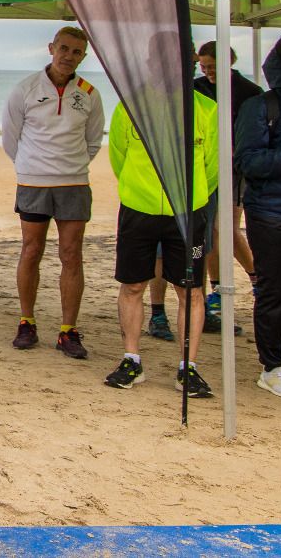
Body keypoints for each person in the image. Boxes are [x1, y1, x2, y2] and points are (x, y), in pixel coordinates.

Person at [103, 92, 217, 399]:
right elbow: (119, 156)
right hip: (138, 209)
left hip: (187, 211)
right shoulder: (131, 105)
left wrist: (189, 196)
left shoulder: (206, 109)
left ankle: (188, 367)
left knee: (190, 290)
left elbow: (212, 166)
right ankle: (131, 360)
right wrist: (140, 189)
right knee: (132, 285)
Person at [1, 27, 104, 358]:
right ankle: (27, 322)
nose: (68, 56)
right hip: (33, 182)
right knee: (31, 251)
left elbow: (92, 141)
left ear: (83, 57)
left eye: (76, 52)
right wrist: (32, 166)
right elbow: (10, 138)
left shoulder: (89, 92)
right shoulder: (26, 89)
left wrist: (69, 166)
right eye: (63, 48)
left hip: (74, 183)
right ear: (51, 48)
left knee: (71, 255)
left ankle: (67, 330)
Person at [234, 32, 281, 400]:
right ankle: (273, 366)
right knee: (274, 293)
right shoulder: (261, 107)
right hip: (272, 214)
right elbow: (247, 162)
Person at [193, 40, 260, 333]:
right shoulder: (194, 88)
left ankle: (256, 279)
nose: (207, 72)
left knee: (227, 230)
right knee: (207, 232)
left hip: (234, 171)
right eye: (203, 66)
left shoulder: (249, 93)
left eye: (212, 67)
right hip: (204, 171)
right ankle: (217, 292)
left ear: (228, 62)